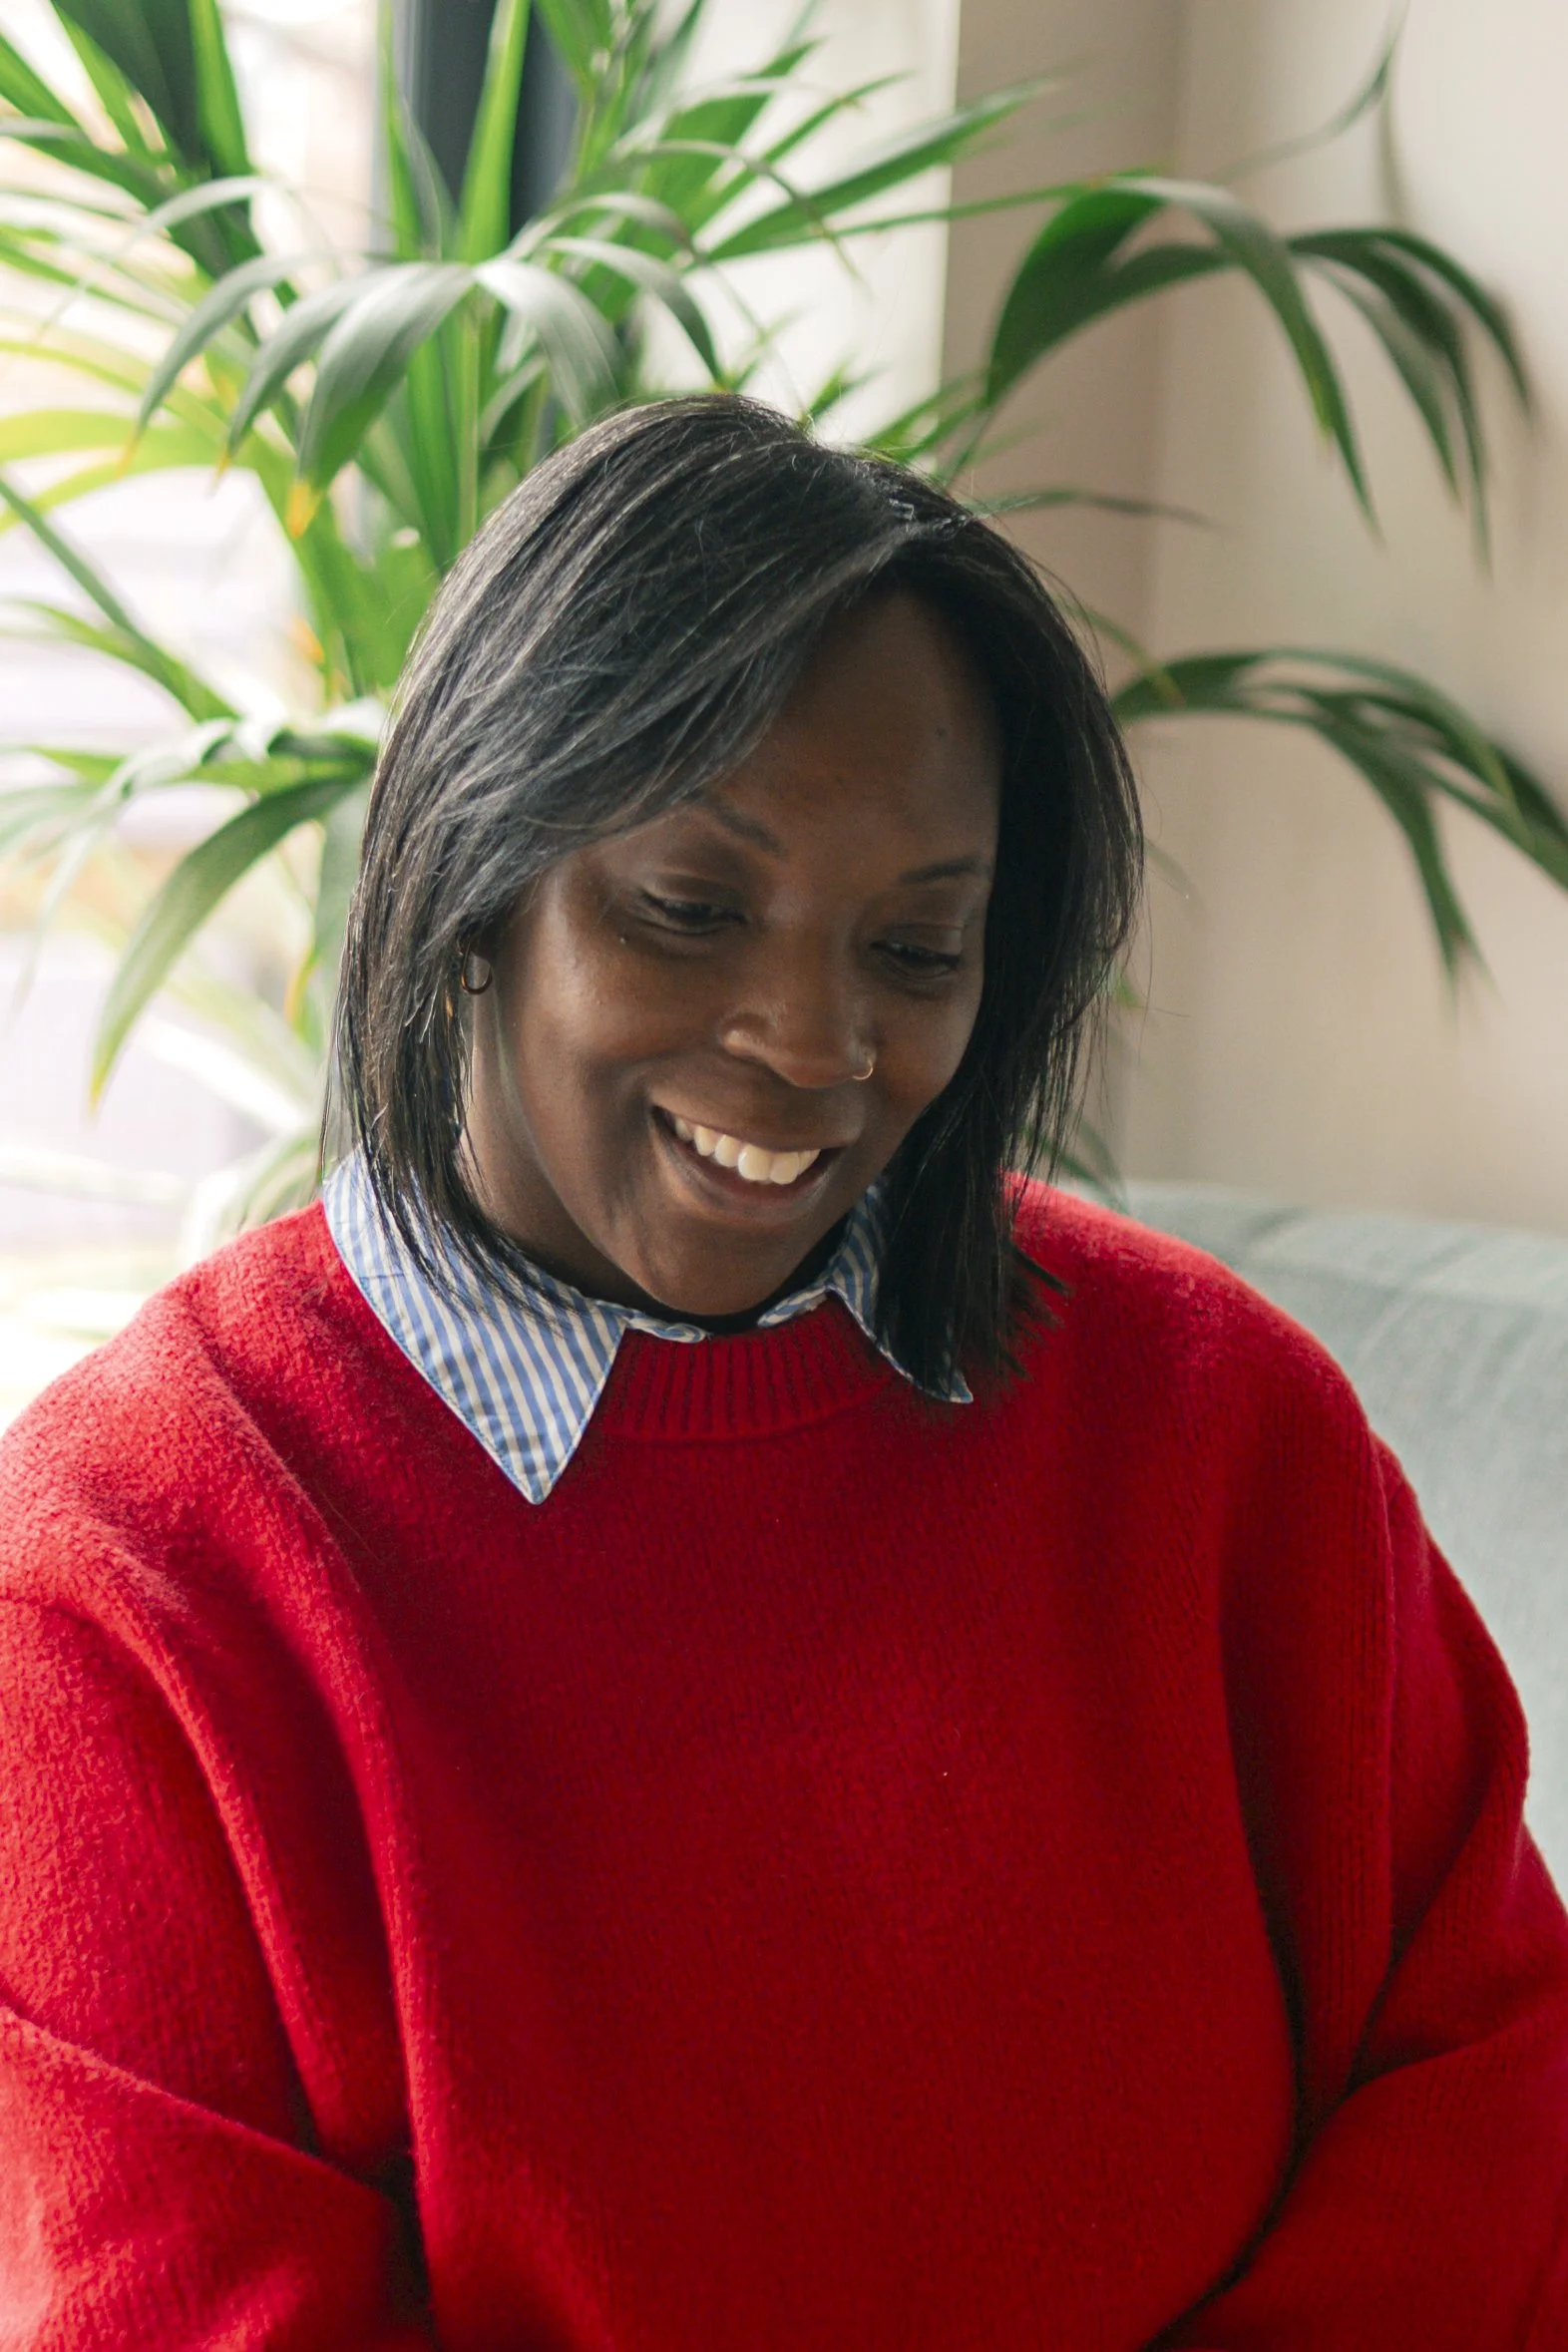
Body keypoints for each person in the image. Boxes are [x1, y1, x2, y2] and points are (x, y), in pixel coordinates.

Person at [0, 395, 1564, 2351]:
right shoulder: (124, 1574)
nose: (815, 1044)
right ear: (478, 865)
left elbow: (1499, 2099)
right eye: (691, 907)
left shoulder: (1224, 1426)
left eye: (919, 950)